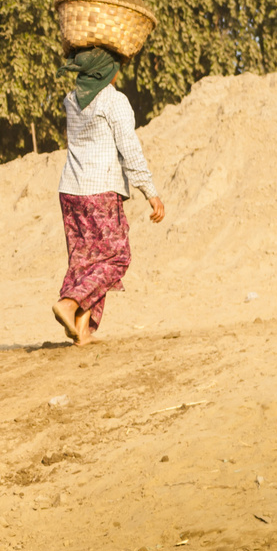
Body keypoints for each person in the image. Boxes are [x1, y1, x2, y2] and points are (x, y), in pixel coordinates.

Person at [53, 47, 165, 346]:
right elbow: (129, 148)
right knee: (117, 257)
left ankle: (82, 329)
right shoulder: (114, 101)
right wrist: (149, 192)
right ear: (105, 73)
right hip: (100, 190)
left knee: (84, 259)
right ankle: (70, 302)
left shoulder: (71, 99)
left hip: (71, 190)